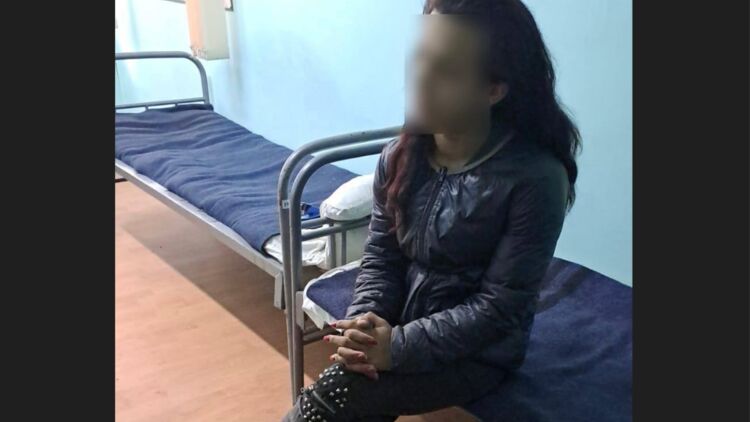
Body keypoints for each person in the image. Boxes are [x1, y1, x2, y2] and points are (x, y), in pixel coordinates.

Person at [283, 0, 580, 420]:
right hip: (404, 322)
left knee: (342, 390)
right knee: (353, 377)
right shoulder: (399, 156)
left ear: (493, 90)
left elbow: (498, 308)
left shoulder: (535, 178)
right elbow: (382, 258)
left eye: (446, 69)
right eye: (421, 56)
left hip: (480, 351)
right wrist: (365, 323)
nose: (421, 77)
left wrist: (396, 347)